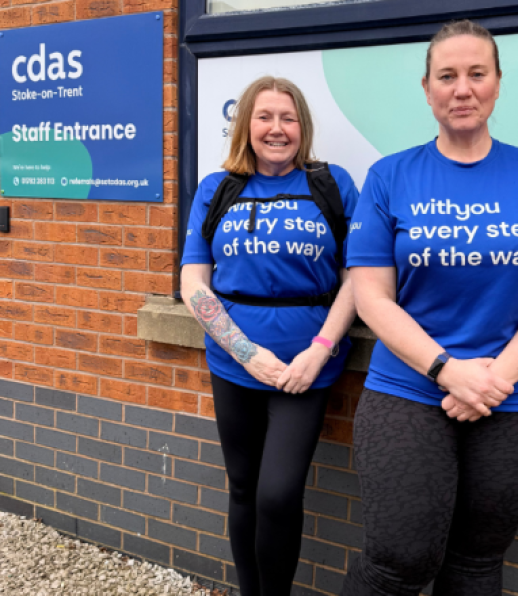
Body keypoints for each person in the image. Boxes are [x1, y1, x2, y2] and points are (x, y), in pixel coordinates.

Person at [342, 20, 518, 596]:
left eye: (477, 74)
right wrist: (448, 370)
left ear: (498, 84)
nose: (462, 88)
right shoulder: (389, 176)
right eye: (447, 76)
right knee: (396, 561)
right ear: (427, 89)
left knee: (477, 562)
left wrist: (495, 379)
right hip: (410, 389)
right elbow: (371, 296)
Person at [180, 76, 358, 596]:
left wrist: (319, 352)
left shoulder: (331, 184)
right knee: (242, 488)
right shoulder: (219, 188)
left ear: (302, 126)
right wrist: (245, 351)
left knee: (277, 494)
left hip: (307, 368)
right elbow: (193, 281)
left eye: (288, 118)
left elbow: (358, 279)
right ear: (246, 125)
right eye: (264, 117)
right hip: (234, 365)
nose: (276, 129)